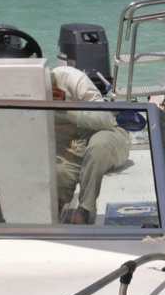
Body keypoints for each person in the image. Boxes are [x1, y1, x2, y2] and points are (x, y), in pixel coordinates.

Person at [51, 64, 131, 224]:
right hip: (72, 144)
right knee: (60, 172)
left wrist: (67, 112)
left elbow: (105, 119)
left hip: (108, 133)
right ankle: (56, 211)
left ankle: (86, 208)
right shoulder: (26, 91)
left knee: (97, 148)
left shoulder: (71, 78)